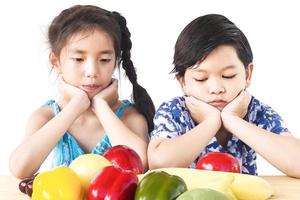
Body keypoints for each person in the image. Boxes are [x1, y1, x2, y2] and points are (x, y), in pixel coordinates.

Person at [9, 5, 155, 179]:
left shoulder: (130, 117)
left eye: (104, 60)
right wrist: (73, 108)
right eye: (78, 59)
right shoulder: (45, 117)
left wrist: (101, 107)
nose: (92, 71)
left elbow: (140, 166)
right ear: (55, 62)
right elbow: (20, 168)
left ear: (115, 61)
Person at [148, 14, 300, 177]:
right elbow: (159, 164)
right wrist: (211, 122)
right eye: (201, 78)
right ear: (182, 82)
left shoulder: (255, 110)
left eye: (228, 76)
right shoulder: (175, 111)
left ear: (247, 75)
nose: (216, 89)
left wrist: (232, 120)